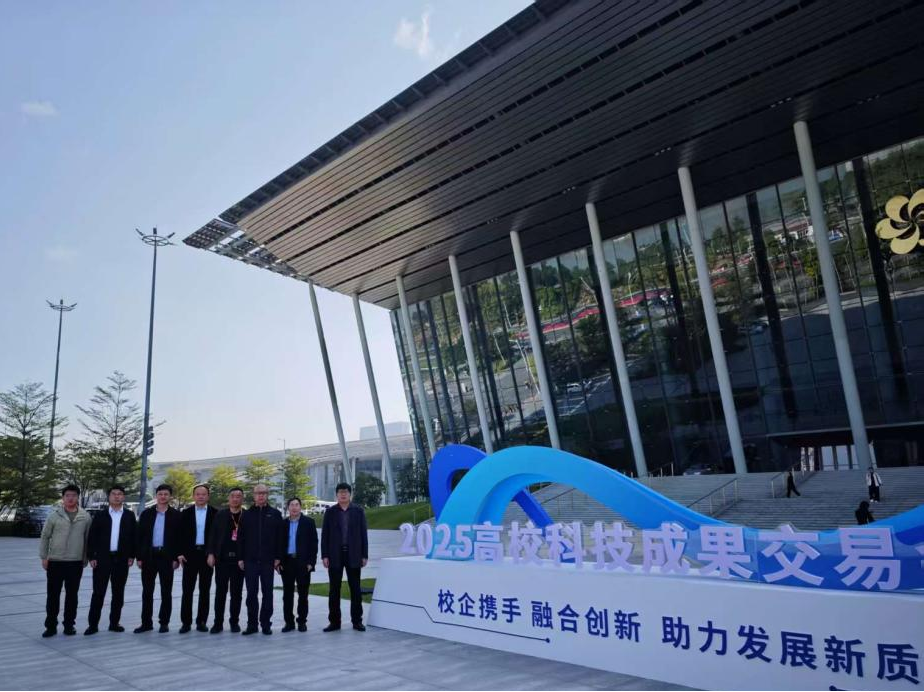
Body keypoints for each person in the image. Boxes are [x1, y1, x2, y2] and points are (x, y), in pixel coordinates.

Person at [39, 484, 92, 637]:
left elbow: (88, 539)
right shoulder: (54, 516)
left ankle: (69, 625)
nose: (70, 498)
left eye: (73, 495)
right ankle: (50, 626)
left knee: (72, 596)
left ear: (78, 497)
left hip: (75, 562)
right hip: (55, 561)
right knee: (53, 595)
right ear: (63, 498)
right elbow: (45, 537)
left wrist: (85, 558)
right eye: (67, 495)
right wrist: (44, 557)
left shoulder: (85, 517)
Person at [85, 485, 137, 635]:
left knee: (118, 593)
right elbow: (92, 537)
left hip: (121, 559)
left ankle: (114, 623)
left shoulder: (129, 515)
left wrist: (132, 556)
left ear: (123, 497)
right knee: (98, 593)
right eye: (114, 494)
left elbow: (134, 537)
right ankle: (93, 625)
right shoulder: (100, 515)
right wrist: (92, 556)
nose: (116, 496)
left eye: (120, 494)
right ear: (109, 497)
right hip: (102, 559)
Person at [321, 482, 369, 632]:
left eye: (346, 492)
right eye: (340, 492)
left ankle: (357, 621)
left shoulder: (358, 511)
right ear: (336, 495)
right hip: (335, 555)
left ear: (350, 494)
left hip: (354, 554)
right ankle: (334, 622)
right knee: (334, 590)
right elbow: (325, 535)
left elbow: (363, 534)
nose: (343, 494)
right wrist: (324, 555)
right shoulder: (330, 512)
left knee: (355, 589)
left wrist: (364, 555)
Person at [135, 483, 181, 633]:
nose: (163, 497)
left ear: (170, 496)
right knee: (147, 591)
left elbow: (179, 539)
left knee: (166, 592)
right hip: (149, 556)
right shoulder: (146, 514)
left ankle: (164, 622)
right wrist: (139, 557)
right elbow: (140, 537)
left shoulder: (176, 515)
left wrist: (176, 558)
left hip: (167, 558)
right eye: (160, 494)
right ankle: (146, 622)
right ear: (156, 496)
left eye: (166, 494)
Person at [238, 483, 282, 635]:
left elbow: (280, 538)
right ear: (254, 495)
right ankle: (252, 625)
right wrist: (240, 558)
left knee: (267, 593)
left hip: (268, 562)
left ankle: (265, 624)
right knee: (251, 594)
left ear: (267, 495)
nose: (261, 495)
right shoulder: (246, 515)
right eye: (258, 493)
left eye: (263, 493)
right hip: (250, 561)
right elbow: (240, 538)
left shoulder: (275, 514)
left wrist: (278, 557)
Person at [178, 484, 217, 633]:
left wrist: (213, 553)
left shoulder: (215, 513)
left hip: (207, 555)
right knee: (187, 590)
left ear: (208, 496)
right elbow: (179, 535)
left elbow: (217, 536)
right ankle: (186, 623)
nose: (201, 496)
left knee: (205, 590)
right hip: (189, 556)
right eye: (198, 494)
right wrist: (180, 553)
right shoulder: (185, 513)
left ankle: (201, 621)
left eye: (203, 494)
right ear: (193, 496)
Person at [207, 487, 245, 633]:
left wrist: (244, 558)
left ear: (242, 499)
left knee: (236, 594)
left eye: (238, 496)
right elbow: (213, 535)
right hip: (222, 560)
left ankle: (234, 622)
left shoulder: (246, 515)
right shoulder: (220, 515)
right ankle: (218, 623)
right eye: (233, 496)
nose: (235, 499)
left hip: (239, 561)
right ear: (229, 498)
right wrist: (211, 553)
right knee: (220, 593)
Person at [277, 498, 318, 633]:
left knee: (303, 594)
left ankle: (302, 622)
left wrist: (311, 563)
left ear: (300, 507)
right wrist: (279, 561)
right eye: (291, 505)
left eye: (296, 505)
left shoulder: (309, 522)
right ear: (288, 507)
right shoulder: (283, 524)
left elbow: (314, 544)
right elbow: (278, 544)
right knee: (287, 595)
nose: (294, 507)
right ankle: (289, 622)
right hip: (287, 563)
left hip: (303, 563)